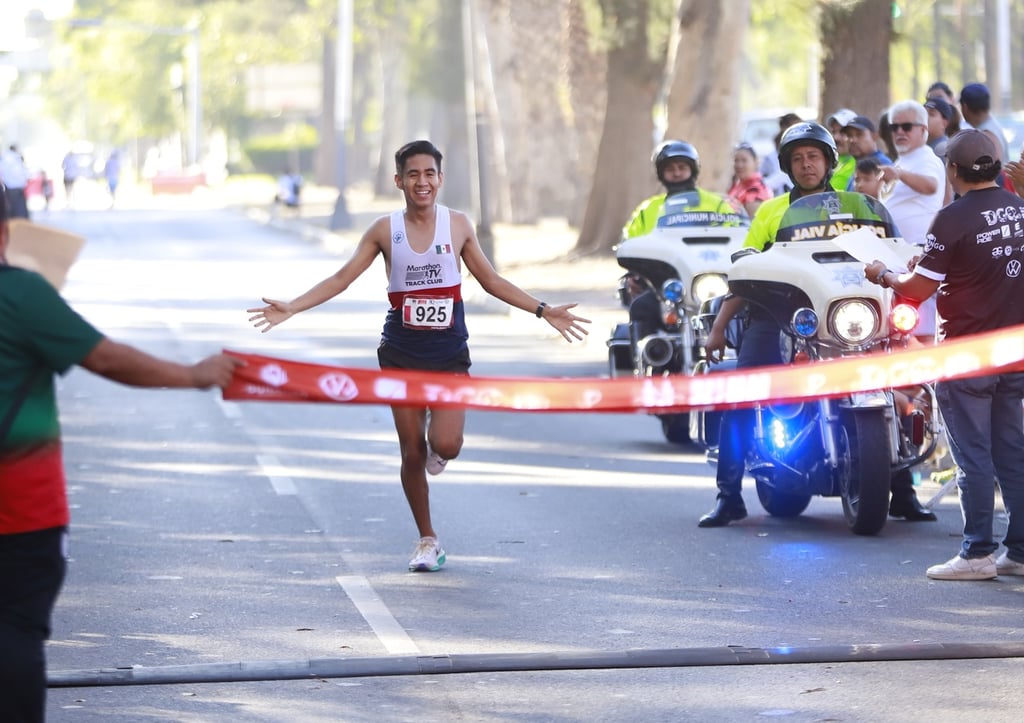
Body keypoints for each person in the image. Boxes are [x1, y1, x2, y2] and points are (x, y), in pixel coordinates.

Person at [247, 140, 591, 572]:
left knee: (446, 443)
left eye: (429, 174)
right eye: (413, 174)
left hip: (448, 354)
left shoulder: (459, 225)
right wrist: (293, 306)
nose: (422, 182)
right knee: (411, 451)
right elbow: (342, 278)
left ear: (440, 179)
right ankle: (427, 540)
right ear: (399, 181)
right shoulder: (382, 230)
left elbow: (491, 281)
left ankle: (438, 445)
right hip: (400, 354)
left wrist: (543, 310)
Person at [0, 189, 243, 722]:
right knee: (14, 633)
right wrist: (192, 375)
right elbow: (105, 358)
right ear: (6, 233)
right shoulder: (20, 294)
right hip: (20, 513)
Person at [698, 121, 934, 528]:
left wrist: (916, 260)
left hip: (850, 317)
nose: (807, 165)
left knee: (898, 386)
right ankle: (729, 495)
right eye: (798, 159)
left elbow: (893, 251)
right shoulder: (772, 212)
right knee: (740, 390)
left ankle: (903, 492)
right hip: (781, 316)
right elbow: (744, 269)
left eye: (814, 156)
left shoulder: (857, 207)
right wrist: (719, 326)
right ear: (788, 167)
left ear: (828, 162)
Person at [864, 129, 1024, 580]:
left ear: (953, 171)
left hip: (965, 355)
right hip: (1014, 352)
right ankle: (1019, 552)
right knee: (1012, 451)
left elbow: (920, 288)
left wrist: (884, 275)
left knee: (973, 456)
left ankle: (977, 554)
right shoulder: (1019, 209)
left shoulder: (951, 218)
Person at [623, 139, 740, 238]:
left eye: (682, 167)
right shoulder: (646, 209)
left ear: (693, 170)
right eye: (670, 169)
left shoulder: (717, 205)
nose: (677, 173)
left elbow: (735, 234)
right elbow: (629, 241)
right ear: (661, 174)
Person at [842, 115, 893, 190]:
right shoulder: (856, 167)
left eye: (859, 134)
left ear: (874, 136)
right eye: (849, 135)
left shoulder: (883, 165)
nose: (852, 140)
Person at [727, 142, 772, 217]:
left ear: (755, 162)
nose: (739, 165)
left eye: (744, 160)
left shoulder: (755, 191)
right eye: (736, 160)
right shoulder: (739, 185)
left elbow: (751, 225)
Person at [826, 108, 858, 191]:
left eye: (842, 132)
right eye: (834, 132)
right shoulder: (829, 161)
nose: (836, 138)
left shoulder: (862, 163)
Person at [1, 145, 30, 219]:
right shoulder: (14, 158)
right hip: (15, 186)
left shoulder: (6, 158)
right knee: (18, 207)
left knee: (15, 207)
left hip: (11, 186)